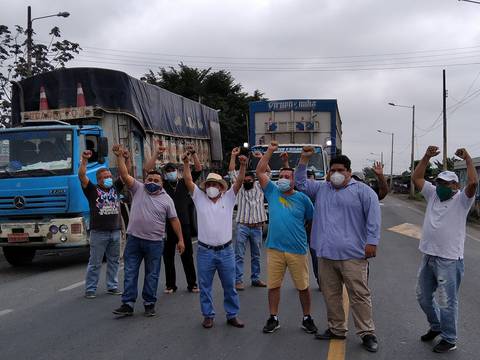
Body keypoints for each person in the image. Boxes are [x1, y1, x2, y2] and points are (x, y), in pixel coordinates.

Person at [295, 148, 381, 353]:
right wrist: (304, 160)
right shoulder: (321, 189)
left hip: (354, 255)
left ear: (349, 172)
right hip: (326, 255)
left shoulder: (363, 191)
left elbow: (373, 218)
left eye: (340, 170)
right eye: (332, 170)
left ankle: (367, 332)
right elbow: (300, 183)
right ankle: (337, 329)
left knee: (359, 295)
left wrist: (372, 242)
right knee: (331, 295)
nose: (335, 173)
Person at [412, 146, 477, 353]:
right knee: (422, 296)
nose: (440, 186)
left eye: (445, 184)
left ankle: (449, 338)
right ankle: (436, 326)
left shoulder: (462, 200)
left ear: (455, 185)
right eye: (438, 182)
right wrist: (427, 157)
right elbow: (417, 177)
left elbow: (474, 182)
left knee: (447, 301)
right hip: (429, 255)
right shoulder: (432, 195)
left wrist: (467, 159)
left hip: (449, 259)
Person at [112, 144, 185, 317]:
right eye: (149, 180)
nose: (152, 182)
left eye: (156, 181)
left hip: (154, 242)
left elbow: (174, 221)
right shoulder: (138, 188)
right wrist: (120, 158)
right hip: (134, 240)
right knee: (130, 272)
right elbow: (124, 174)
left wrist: (181, 239)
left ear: (162, 183)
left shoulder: (167, 200)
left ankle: (149, 303)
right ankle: (128, 304)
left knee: (152, 274)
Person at [256, 142, 318, 335]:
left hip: (297, 250)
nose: (282, 179)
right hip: (274, 248)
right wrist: (270, 151)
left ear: (294, 180)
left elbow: (311, 220)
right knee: (274, 286)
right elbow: (260, 171)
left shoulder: (303, 199)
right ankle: (273, 317)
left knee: (303, 287)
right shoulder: (272, 191)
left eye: (287, 177)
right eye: (281, 176)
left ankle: (307, 317)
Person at [183, 151, 247, 329]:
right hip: (205, 251)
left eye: (215, 184)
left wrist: (242, 166)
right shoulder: (199, 198)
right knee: (205, 286)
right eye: (209, 184)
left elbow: (239, 182)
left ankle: (232, 315)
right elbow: (188, 181)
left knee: (230, 286)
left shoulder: (229, 197)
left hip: (226, 251)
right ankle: (208, 315)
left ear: (221, 187)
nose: (211, 187)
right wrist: (186, 164)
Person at [143, 142, 202, 294]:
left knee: (187, 254)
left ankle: (192, 284)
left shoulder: (184, 183)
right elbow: (147, 170)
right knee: (168, 256)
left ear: (177, 171)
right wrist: (156, 153)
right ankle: (170, 285)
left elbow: (198, 169)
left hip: (185, 224)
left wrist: (193, 153)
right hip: (167, 225)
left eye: (173, 170)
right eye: (167, 171)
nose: (170, 172)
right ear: (164, 174)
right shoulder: (161, 186)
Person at [79, 149, 122, 299]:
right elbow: (82, 176)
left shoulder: (116, 188)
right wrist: (84, 160)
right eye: (105, 177)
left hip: (115, 231)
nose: (109, 179)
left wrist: (121, 158)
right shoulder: (92, 190)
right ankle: (90, 289)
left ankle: (112, 286)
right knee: (95, 263)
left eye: (110, 176)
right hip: (98, 232)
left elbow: (125, 173)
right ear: (99, 180)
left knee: (114, 261)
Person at [229, 147, 268, 290]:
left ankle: (255, 278)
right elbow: (232, 172)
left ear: (254, 180)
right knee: (239, 255)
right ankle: (238, 280)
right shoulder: (239, 188)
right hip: (242, 226)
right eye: (244, 179)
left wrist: (261, 158)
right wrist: (233, 157)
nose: (246, 181)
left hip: (257, 227)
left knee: (256, 255)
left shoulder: (259, 186)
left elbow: (266, 172)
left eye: (249, 179)